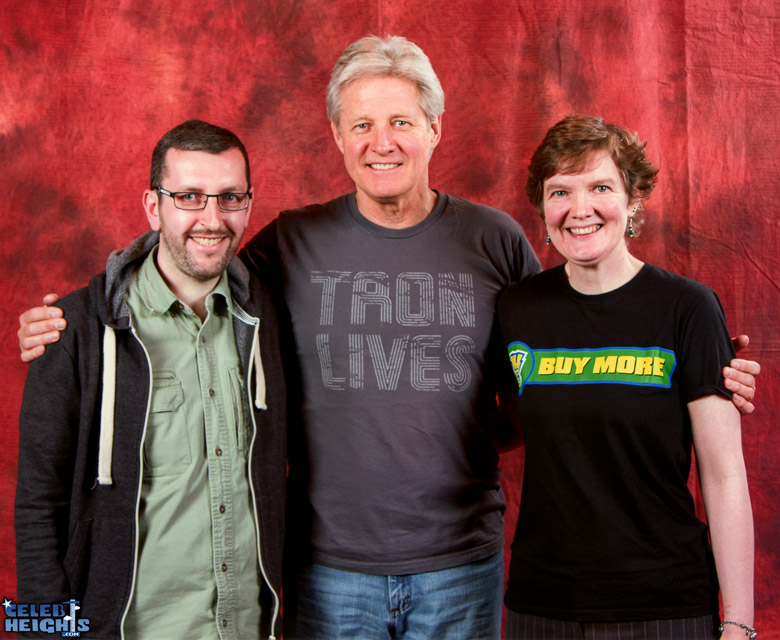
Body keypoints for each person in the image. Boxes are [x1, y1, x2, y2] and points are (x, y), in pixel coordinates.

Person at [17, 38, 760, 639]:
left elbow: (564, 340)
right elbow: (194, 257)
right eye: (362, 124)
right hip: (326, 571)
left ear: (435, 128)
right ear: (337, 136)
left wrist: (705, 371)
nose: (382, 142)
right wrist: (83, 312)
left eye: (402, 121)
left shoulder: (494, 240)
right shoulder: (291, 242)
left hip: (464, 567)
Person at [15, 120, 286, 640]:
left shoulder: (267, 319)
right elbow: (35, 509)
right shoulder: (75, 331)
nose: (212, 219)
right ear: (152, 205)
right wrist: (40, 633)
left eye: (230, 198)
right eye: (189, 196)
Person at [498, 115, 755, 640]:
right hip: (542, 603)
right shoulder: (516, 309)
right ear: (543, 207)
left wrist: (739, 623)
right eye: (560, 192)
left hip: (663, 603)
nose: (580, 209)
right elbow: (492, 425)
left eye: (600, 187)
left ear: (633, 198)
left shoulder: (687, 308)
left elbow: (724, 476)